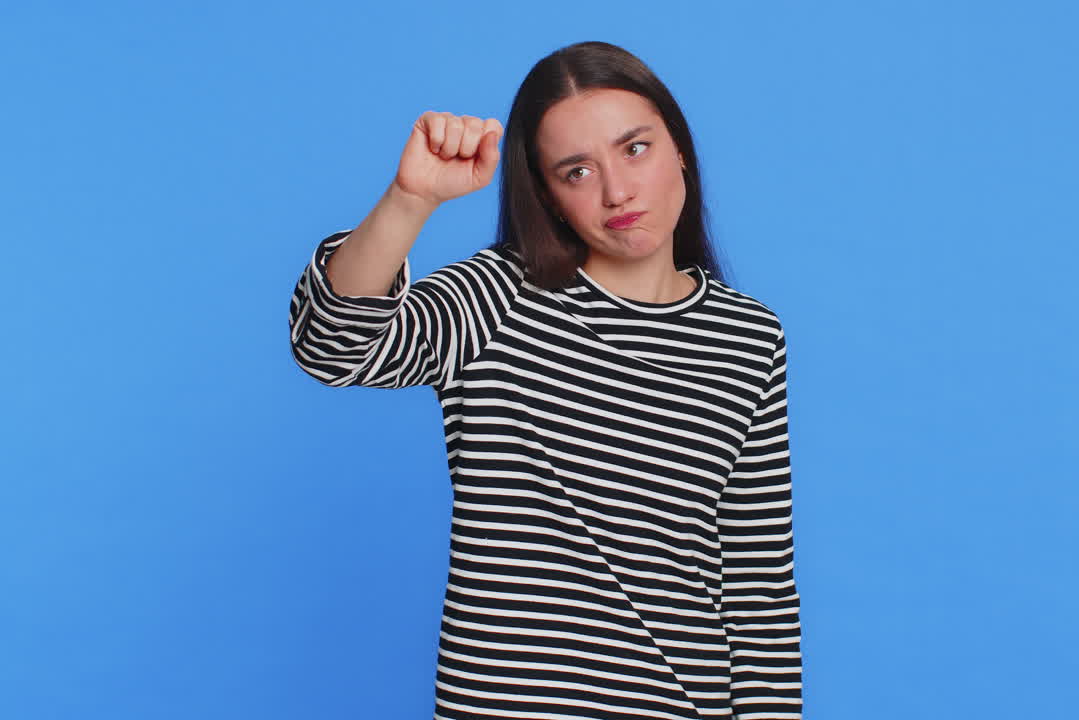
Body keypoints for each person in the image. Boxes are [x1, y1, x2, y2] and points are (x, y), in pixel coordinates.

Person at [288, 40, 802, 720]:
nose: (617, 191)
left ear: (679, 148)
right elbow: (333, 347)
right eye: (577, 171)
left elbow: (758, 588)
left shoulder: (748, 336)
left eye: (635, 149)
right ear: (549, 195)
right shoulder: (501, 296)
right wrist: (411, 200)